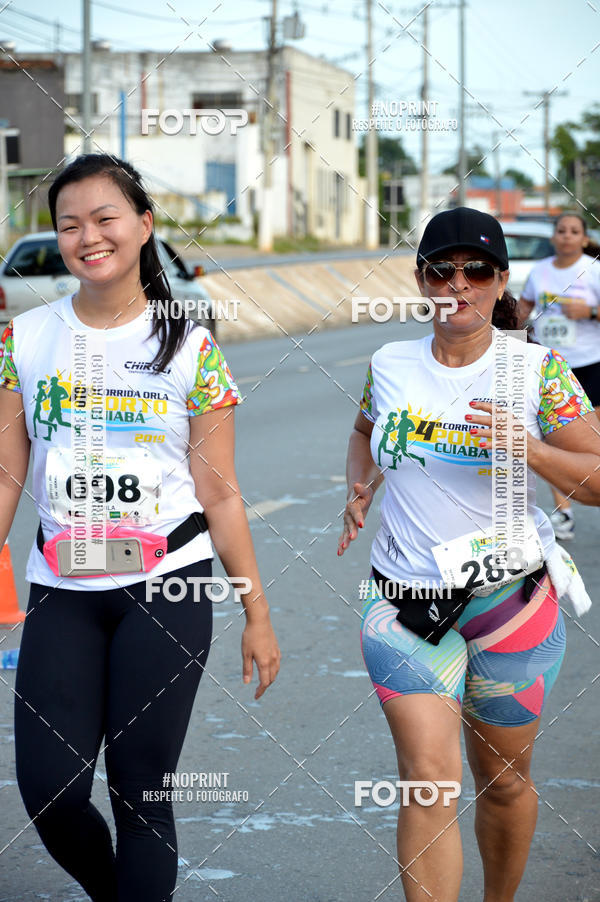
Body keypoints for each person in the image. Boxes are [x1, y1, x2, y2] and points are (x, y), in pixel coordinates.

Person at [0, 153, 280, 902]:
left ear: (143, 225)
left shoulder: (189, 347)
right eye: (68, 224)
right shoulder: (24, 341)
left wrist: (256, 611)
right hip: (62, 586)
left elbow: (220, 494)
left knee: (141, 789)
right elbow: (5, 474)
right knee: (51, 791)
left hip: (169, 587)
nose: (87, 236)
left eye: (104, 218)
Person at [338, 207, 600, 902]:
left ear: (502, 279)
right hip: (404, 602)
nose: (459, 283)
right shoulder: (389, 363)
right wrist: (359, 486)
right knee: (427, 780)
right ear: (421, 279)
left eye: (477, 269)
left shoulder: (537, 372)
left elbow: (597, 479)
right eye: (441, 269)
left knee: (505, 783)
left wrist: (529, 447)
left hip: (512, 605)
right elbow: (365, 429)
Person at [518, 212, 600, 540]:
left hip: (592, 365)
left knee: (592, 445)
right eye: (561, 231)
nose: (566, 236)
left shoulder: (594, 271)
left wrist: (589, 312)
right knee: (553, 443)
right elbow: (521, 311)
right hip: (551, 371)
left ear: (583, 238)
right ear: (553, 237)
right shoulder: (540, 272)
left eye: (574, 231)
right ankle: (563, 512)